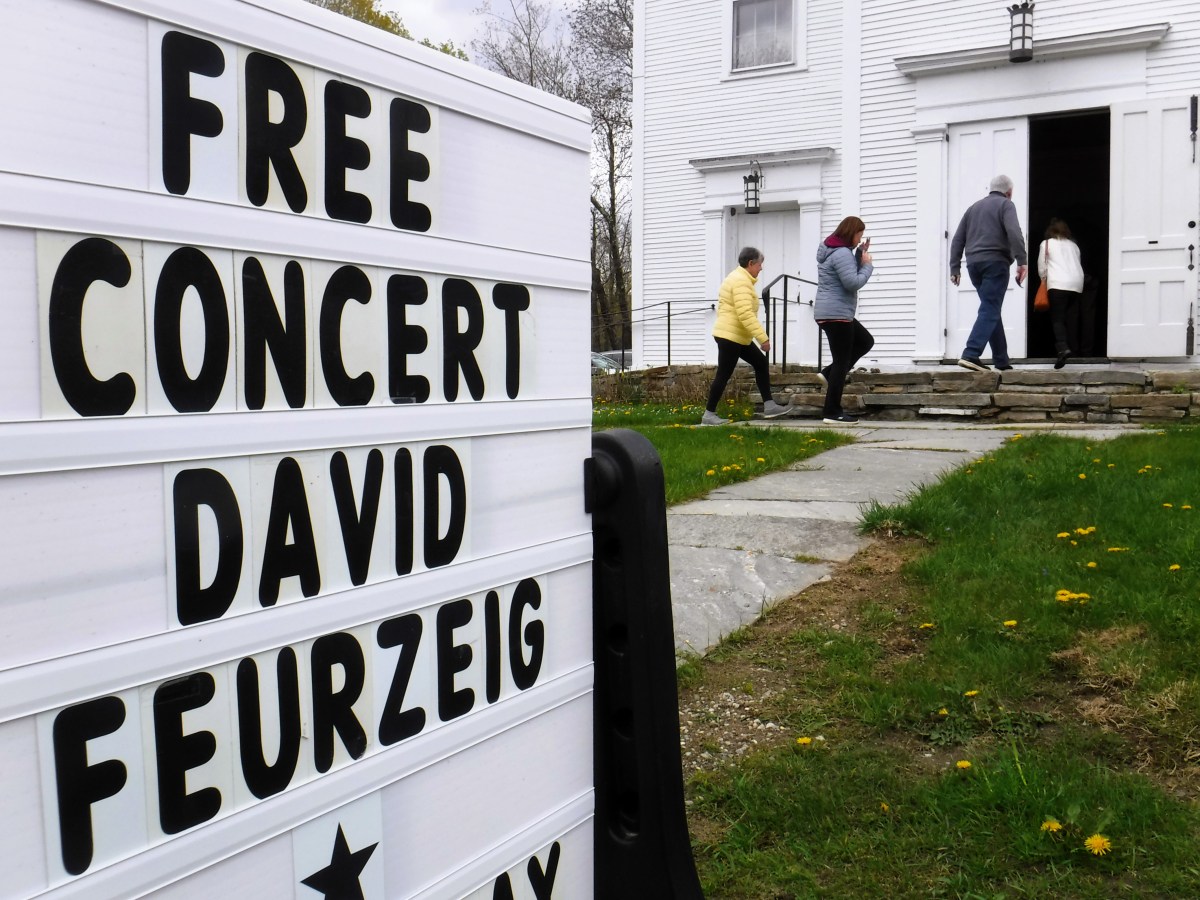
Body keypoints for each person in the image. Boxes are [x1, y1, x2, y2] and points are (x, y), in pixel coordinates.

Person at [701, 247, 789, 425]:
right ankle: (709, 415)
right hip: (730, 336)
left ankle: (769, 405)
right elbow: (745, 314)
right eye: (759, 264)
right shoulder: (740, 281)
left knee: (760, 362)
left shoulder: (739, 279)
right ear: (750, 264)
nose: (761, 268)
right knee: (724, 374)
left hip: (736, 335)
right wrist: (762, 338)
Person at [949, 174, 1028, 372]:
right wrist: (1022, 261)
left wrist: (955, 267)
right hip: (995, 263)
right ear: (1009, 192)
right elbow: (1014, 232)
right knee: (990, 308)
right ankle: (971, 353)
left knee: (991, 309)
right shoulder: (1006, 205)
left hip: (974, 265)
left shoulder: (973, 208)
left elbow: (958, 239)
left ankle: (1001, 360)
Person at [814, 216, 875, 424]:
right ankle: (832, 411)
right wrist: (867, 266)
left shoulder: (834, 250)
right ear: (851, 233)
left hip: (832, 313)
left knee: (865, 341)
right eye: (859, 235)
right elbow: (852, 282)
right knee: (842, 361)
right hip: (837, 315)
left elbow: (845, 271)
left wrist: (859, 254)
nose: (860, 239)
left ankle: (829, 373)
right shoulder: (841, 253)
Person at [1037, 217, 1085, 368]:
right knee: (1072, 319)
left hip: (1057, 284)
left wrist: (1043, 280)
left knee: (1058, 318)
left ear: (1050, 230)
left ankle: (1063, 348)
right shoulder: (1074, 246)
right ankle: (1075, 350)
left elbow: (1042, 266)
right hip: (1076, 284)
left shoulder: (1046, 244)